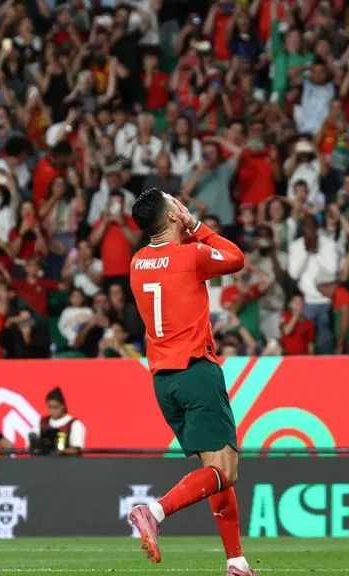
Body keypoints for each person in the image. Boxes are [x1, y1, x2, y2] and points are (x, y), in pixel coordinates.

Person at [127, 188, 255, 575]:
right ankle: (154, 511)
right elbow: (236, 258)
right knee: (226, 471)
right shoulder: (190, 254)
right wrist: (197, 226)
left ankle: (236, 562)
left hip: (164, 381)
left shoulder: (136, 262)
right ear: (170, 218)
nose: (182, 211)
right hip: (196, 371)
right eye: (176, 208)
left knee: (213, 472)